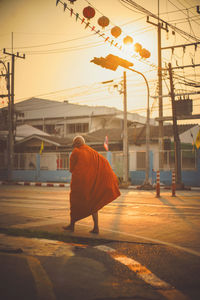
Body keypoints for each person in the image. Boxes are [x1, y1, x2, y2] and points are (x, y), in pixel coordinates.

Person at [63, 135, 120, 234]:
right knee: (94, 204)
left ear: (76, 144)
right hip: (92, 183)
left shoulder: (76, 152)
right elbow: (104, 163)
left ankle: (72, 225)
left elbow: (72, 169)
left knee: (75, 203)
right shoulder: (92, 152)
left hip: (81, 184)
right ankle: (96, 227)